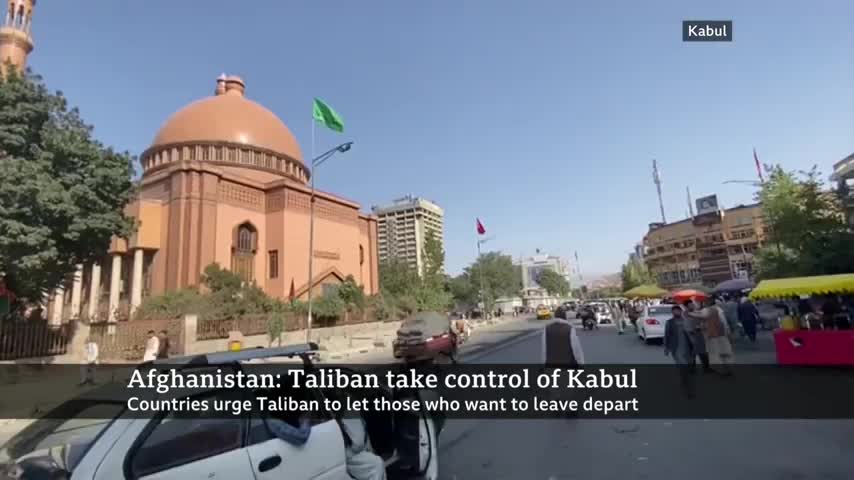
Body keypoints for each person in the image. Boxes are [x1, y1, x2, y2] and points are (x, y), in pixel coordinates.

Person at [542, 315, 585, 416]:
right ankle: (570, 410)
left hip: (551, 363)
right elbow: (576, 348)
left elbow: (544, 347)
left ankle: (556, 407)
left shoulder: (546, 329)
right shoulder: (569, 329)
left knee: (554, 387)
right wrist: (581, 362)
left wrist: (543, 363)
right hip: (567, 363)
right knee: (568, 388)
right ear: (565, 318)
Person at [687, 298, 734, 375]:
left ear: (707, 303)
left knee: (716, 353)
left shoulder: (707, 310)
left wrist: (689, 313)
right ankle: (727, 369)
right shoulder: (718, 309)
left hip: (713, 335)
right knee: (723, 353)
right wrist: (728, 333)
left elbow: (702, 316)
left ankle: (723, 370)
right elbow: (724, 322)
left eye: (703, 302)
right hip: (720, 334)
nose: (702, 303)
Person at [663, 305, 696, 398]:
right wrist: (666, 348)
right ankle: (689, 390)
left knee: (688, 368)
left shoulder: (687, 321)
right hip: (676, 349)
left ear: (681, 311)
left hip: (688, 348)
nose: (676, 312)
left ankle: (685, 382)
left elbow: (693, 332)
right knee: (684, 367)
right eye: (674, 311)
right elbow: (667, 335)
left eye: (678, 311)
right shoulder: (669, 323)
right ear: (672, 313)